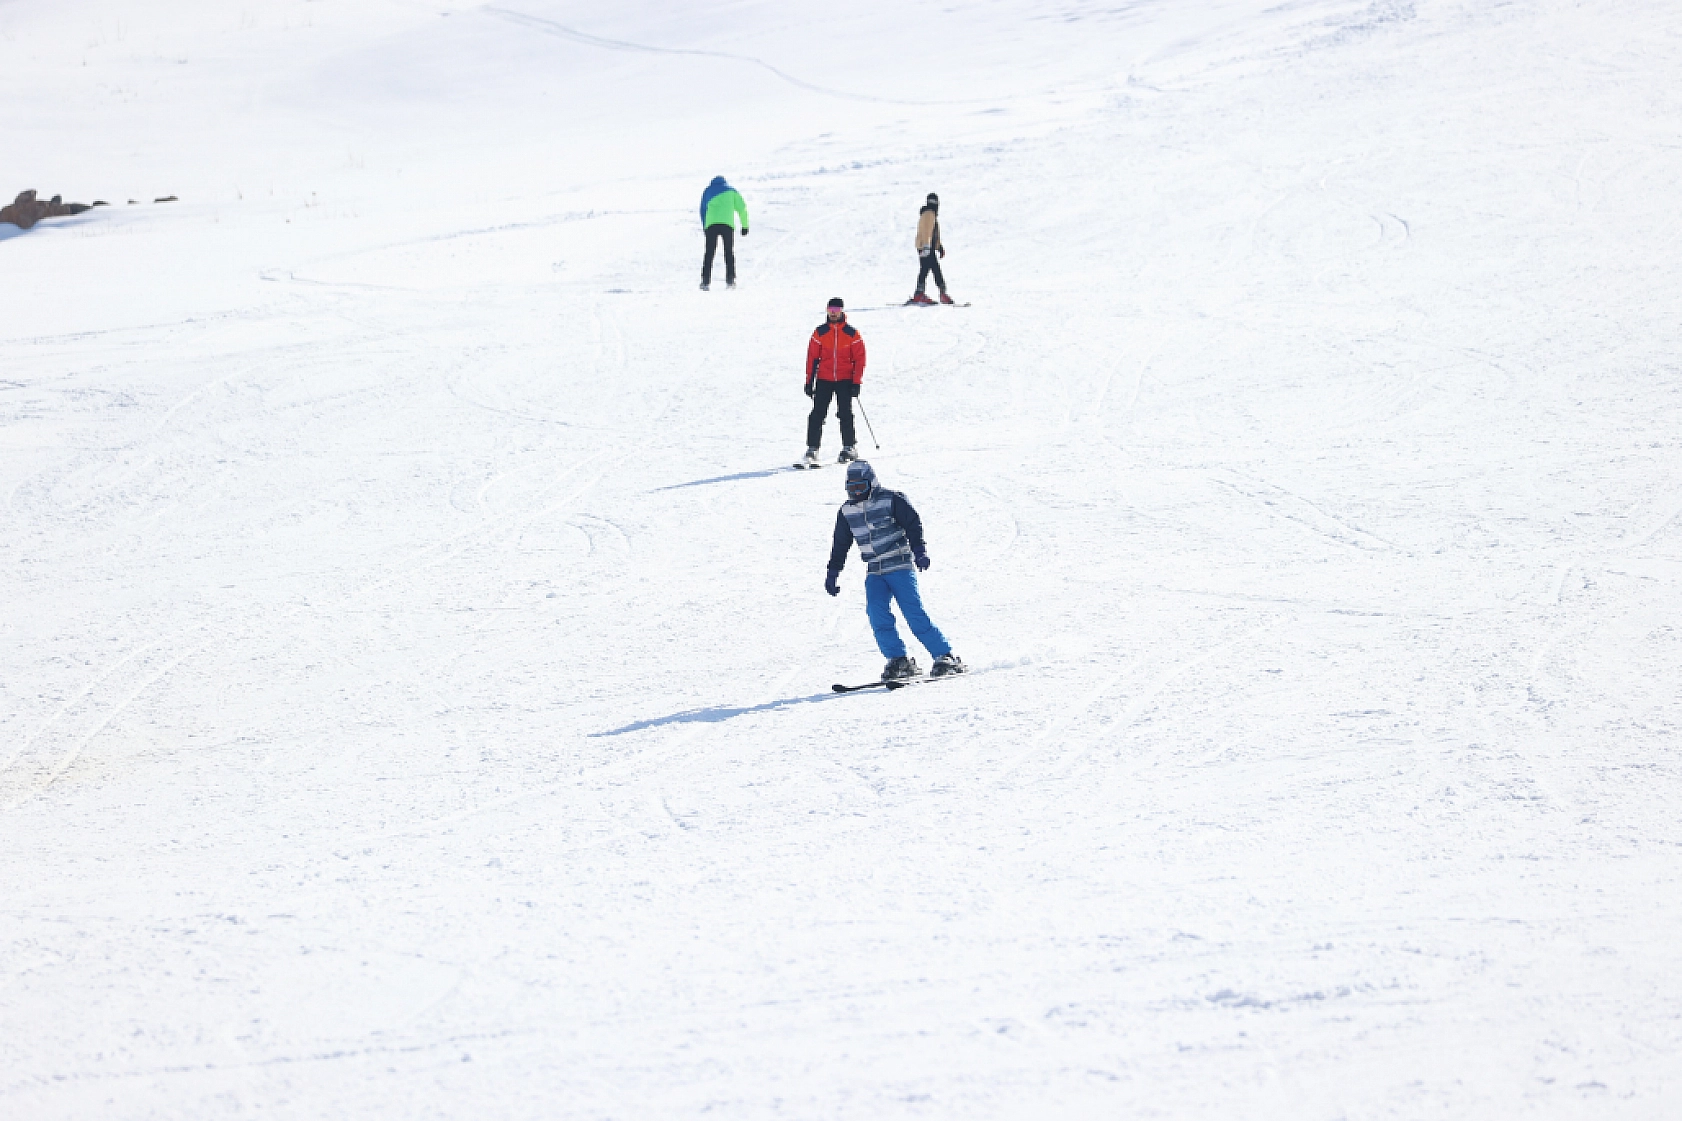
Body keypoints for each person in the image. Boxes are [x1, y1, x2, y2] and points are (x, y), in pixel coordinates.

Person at [825, 460, 965, 680]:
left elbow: (912, 523)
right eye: (851, 488)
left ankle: (944, 656)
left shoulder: (891, 499)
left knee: (913, 613)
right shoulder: (846, 511)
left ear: (871, 483)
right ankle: (898, 660)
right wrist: (833, 572)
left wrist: (919, 551)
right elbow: (840, 543)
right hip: (875, 570)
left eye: (860, 487)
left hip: (899, 565)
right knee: (876, 613)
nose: (856, 492)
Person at [802, 297, 865, 466]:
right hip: (824, 378)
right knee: (817, 414)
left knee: (845, 413)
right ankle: (812, 448)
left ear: (842, 311)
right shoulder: (820, 332)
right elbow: (812, 358)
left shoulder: (852, 333)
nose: (833, 314)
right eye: (831, 311)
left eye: (836, 311)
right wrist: (809, 382)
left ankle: (849, 447)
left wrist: (856, 382)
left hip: (845, 379)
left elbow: (860, 359)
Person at [699, 176, 749, 290]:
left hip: (711, 225)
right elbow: (742, 208)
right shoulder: (731, 191)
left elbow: (702, 209)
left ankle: (705, 281)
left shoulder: (708, 190)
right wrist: (745, 225)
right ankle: (730, 280)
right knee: (728, 252)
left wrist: (705, 226)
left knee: (709, 253)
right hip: (727, 225)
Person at [907, 192, 955, 305]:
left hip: (927, 247)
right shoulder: (929, 214)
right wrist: (927, 247)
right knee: (927, 269)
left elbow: (933, 233)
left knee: (933, 269)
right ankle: (920, 293)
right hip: (926, 247)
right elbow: (927, 232)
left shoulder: (929, 214)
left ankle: (940, 293)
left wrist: (939, 246)